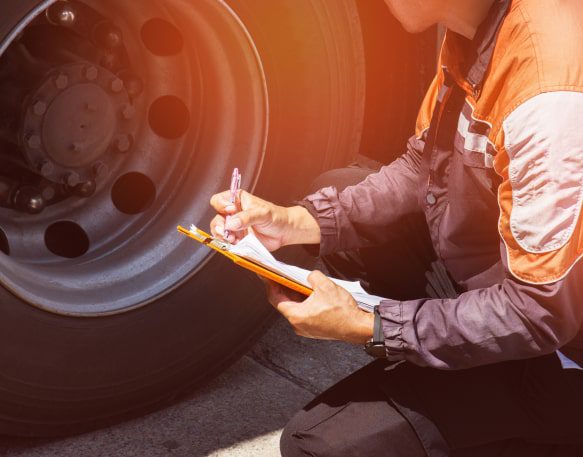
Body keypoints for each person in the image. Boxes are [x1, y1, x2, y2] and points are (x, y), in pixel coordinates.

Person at [210, 0, 583, 455]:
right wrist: (295, 223)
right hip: (516, 292)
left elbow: (538, 313)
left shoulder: (546, 95)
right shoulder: (477, 26)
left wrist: (372, 327)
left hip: (560, 352)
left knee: (319, 447)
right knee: (337, 192)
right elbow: (424, 167)